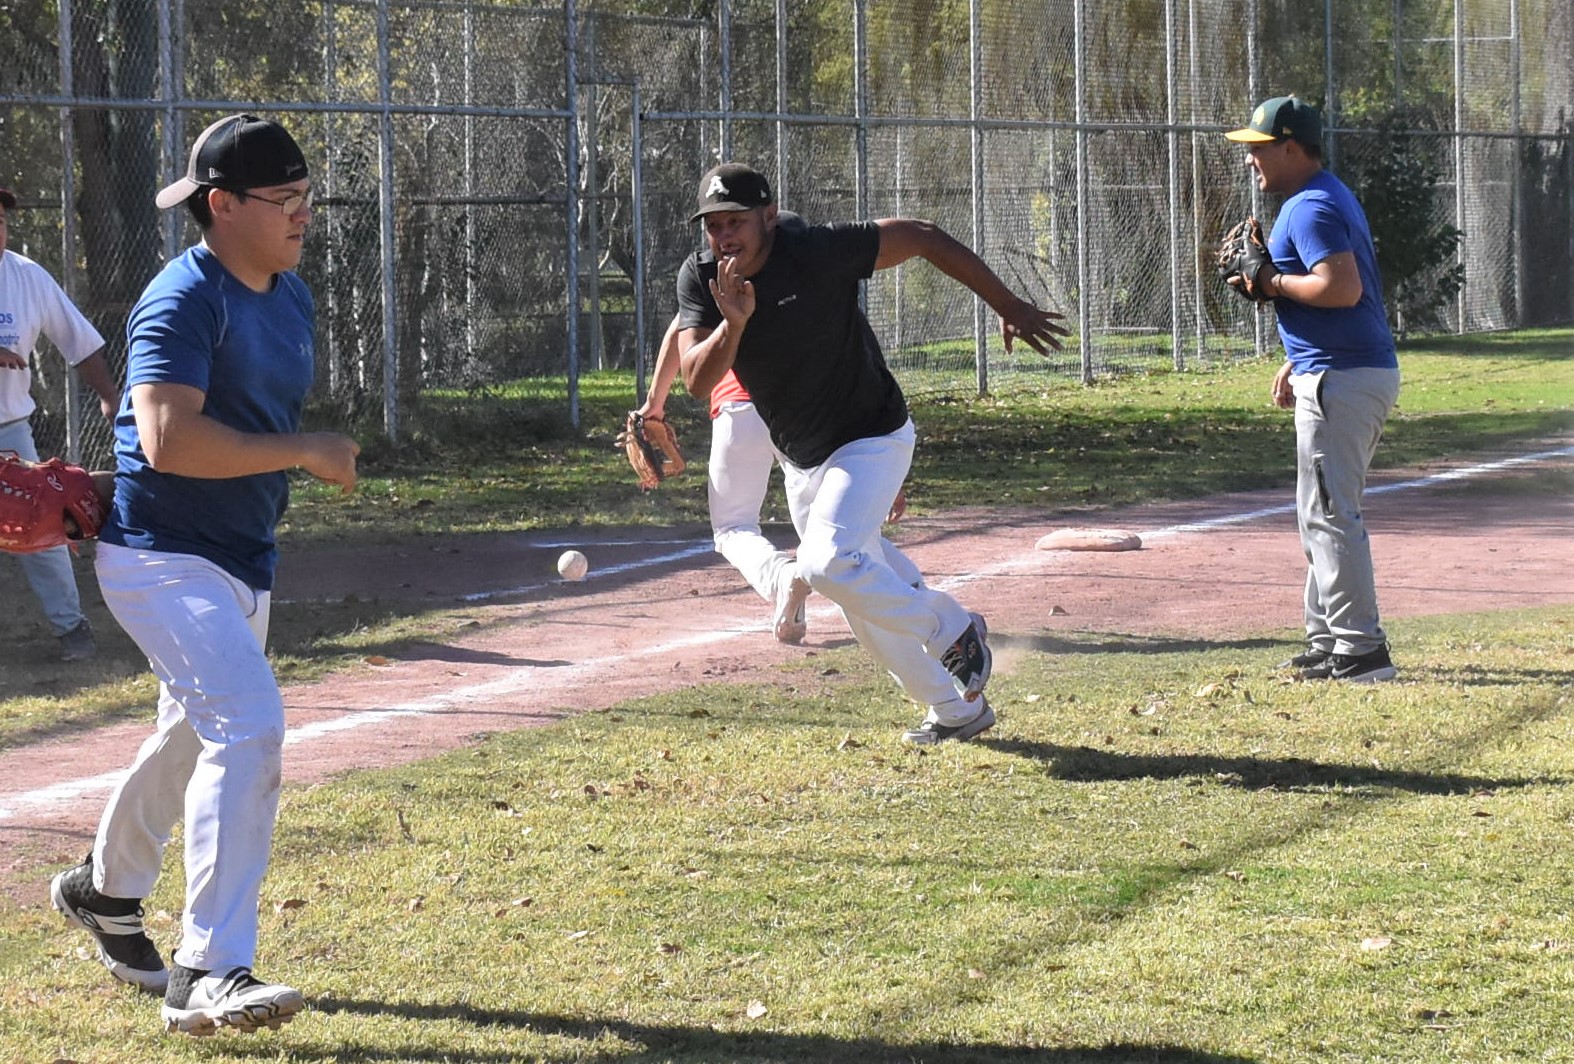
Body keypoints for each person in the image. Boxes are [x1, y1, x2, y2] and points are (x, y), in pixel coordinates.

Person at [49, 113, 361, 1036]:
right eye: (286, 199)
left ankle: (104, 892)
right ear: (222, 207)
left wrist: (287, 463)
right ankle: (211, 968)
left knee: (192, 735)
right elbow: (167, 437)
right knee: (251, 721)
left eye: (308, 196)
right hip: (158, 558)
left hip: (240, 557)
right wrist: (303, 450)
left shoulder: (287, 292)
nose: (305, 214)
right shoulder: (183, 299)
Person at [674, 162, 1068, 744]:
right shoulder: (703, 277)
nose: (724, 235)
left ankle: (951, 628)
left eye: (736, 221)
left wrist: (1005, 302)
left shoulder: (815, 250)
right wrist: (733, 325)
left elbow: (923, 237)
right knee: (859, 594)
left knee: (826, 563)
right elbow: (695, 380)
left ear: (766, 216)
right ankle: (956, 710)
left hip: (871, 436)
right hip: (804, 460)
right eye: (714, 225)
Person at [639, 212, 919, 646]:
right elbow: (862, 357)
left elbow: (682, 329)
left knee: (733, 525)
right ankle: (918, 601)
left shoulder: (716, 280)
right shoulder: (815, 281)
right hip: (804, 415)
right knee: (837, 535)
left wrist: (655, 403)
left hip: (739, 404)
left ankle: (780, 578)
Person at [1223, 96, 1401, 683]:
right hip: (1338, 367)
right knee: (1317, 512)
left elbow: (1340, 288)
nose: (1251, 160)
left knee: (1330, 513)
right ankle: (1327, 639)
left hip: (1345, 375)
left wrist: (1270, 280)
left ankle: (1361, 649)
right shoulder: (1319, 195)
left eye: (1258, 148)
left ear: (1292, 146)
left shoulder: (1311, 205)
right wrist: (1296, 358)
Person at [0, 185, 121, 660]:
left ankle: (73, 631)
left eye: (3, 220)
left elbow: (80, 340)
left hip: (9, 428)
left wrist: (109, 395)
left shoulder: (25, 276)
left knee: (40, 522)